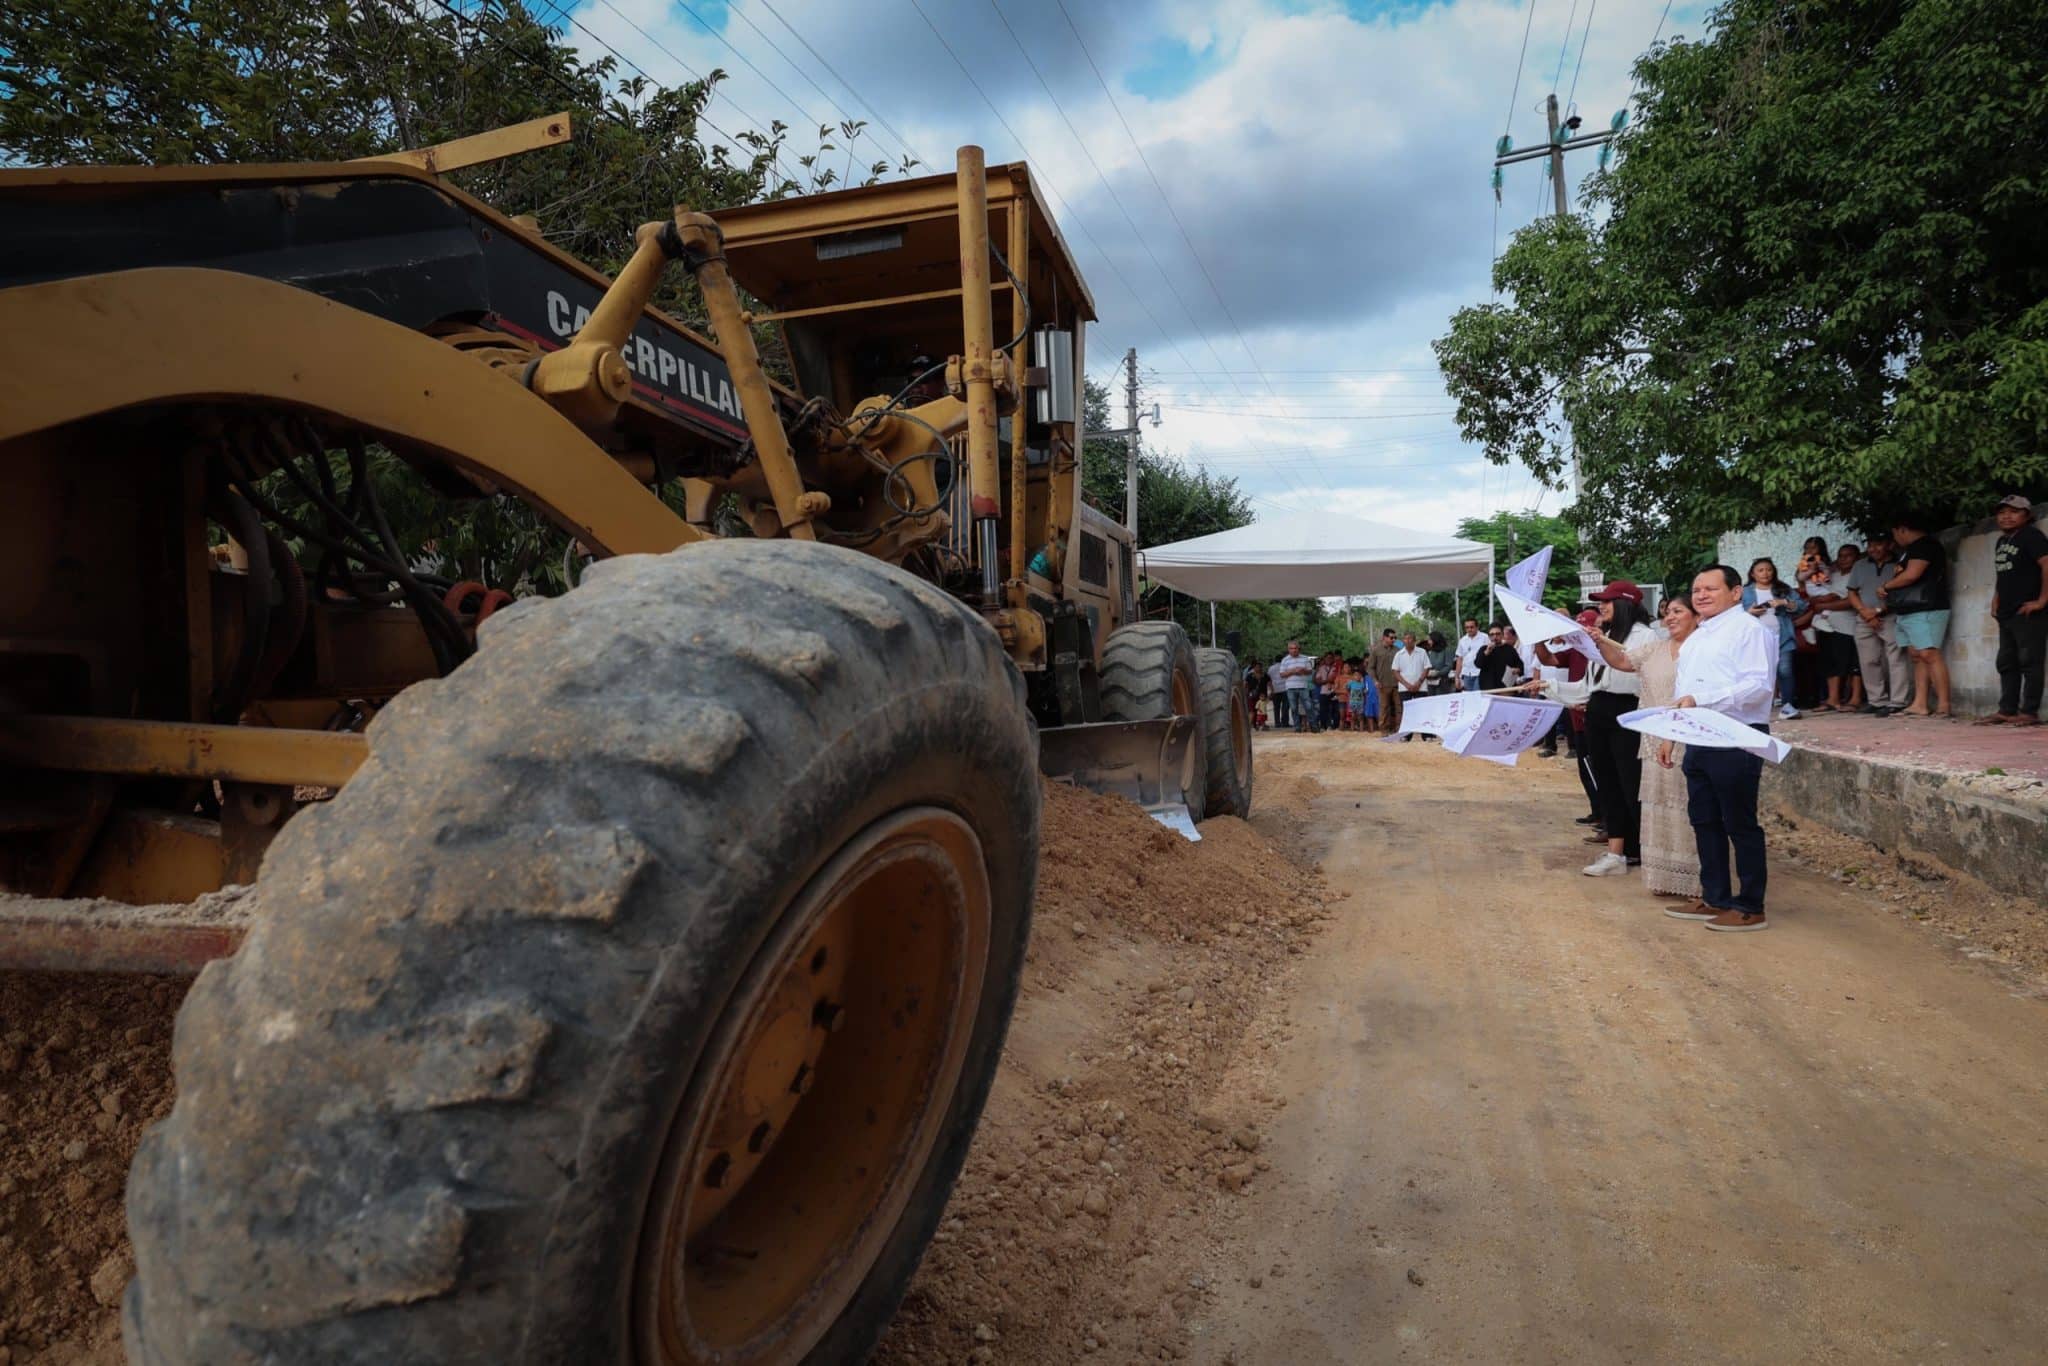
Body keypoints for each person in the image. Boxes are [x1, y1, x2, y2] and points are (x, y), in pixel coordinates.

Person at [1665, 565, 1778, 932]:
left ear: (1735, 592)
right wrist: (1671, 731)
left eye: (1710, 589)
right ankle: (1715, 897)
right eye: (1696, 589)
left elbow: (1758, 687)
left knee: (1739, 823)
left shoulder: (1750, 630)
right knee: (1704, 820)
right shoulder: (1698, 636)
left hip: (1735, 735)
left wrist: (1704, 699)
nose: (1701, 595)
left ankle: (1750, 905)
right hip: (1699, 736)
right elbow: (1682, 690)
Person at [1579, 596, 1705, 899]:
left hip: (1686, 735)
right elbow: (1622, 661)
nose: (1671, 617)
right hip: (1652, 737)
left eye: (1678, 611)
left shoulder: (1701, 650)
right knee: (1656, 802)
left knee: (1687, 806)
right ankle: (1664, 874)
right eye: (1668, 612)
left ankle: (1699, 878)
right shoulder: (1655, 647)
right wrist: (1601, 642)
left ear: (1696, 617)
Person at [1537, 580, 1653, 877]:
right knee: (1608, 783)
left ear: (1626, 604)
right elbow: (1588, 687)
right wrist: (1549, 685)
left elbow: (1635, 673)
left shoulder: (1645, 637)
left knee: (1632, 783)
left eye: (1608, 601)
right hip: (1599, 711)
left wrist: (1604, 643)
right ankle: (1617, 852)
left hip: (1628, 712)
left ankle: (1643, 849)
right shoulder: (1601, 639)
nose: (1601, 606)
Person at [1983, 494, 2048, 727]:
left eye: (2013, 511)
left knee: (2030, 661)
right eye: (2002, 512)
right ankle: (2007, 710)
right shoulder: (2002, 542)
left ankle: (2029, 712)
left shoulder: (2032, 536)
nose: (2006, 516)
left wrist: (2041, 600)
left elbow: (2046, 565)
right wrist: (1996, 599)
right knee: (2007, 661)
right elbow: (2004, 574)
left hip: (2028, 610)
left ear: (2027, 515)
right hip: (2007, 612)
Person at [1881, 515, 1952, 718]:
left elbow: (1912, 574)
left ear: (1902, 529)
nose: (1895, 539)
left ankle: (1944, 705)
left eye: (1895, 533)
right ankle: (1919, 704)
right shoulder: (1910, 550)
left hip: (1926, 607)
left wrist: (1886, 586)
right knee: (1916, 656)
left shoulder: (1925, 546)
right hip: (1910, 609)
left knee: (1929, 654)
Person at [1845, 531, 1910, 714]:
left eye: (1878, 544)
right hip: (1864, 618)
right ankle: (1877, 701)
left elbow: (1902, 592)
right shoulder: (1860, 565)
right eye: (1870, 544)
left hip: (1890, 617)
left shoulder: (1900, 564)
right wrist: (1865, 613)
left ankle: (1898, 702)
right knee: (1868, 661)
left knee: (1896, 658)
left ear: (1889, 544)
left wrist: (1878, 611)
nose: (1873, 549)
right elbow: (1852, 592)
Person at [1801, 543, 1865, 712]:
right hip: (1826, 626)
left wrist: (1822, 606)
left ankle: (1855, 699)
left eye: (1848, 555)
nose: (1843, 559)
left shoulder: (1857, 575)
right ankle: (1833, 699)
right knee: (1830, 662)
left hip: (1847, 625)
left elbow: (1851, 601)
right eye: (1840, 555)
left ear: (1857, 558)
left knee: (1851, 664)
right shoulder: (1833, 575)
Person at [1741, 558, 1805, 720]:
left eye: (1768, 569)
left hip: (1782, 636)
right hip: (1756, 639)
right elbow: (1733, 614)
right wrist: (1748, 613)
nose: (1765, 573)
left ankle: (1788, 706)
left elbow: (1801, 606)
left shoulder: (1783, 589)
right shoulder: (1745, 591)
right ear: (1753, 574)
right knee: (1759, 672)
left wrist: (1784, 602)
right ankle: (1760, 706)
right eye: (1760, 570)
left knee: (1785, 671)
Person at [1393, 632, 1430, 742]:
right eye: (1405, 639)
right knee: (1406, 711)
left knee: (1423, 710)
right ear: (1403, 641)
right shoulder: (1399, 654)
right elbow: (1395, 671)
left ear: (1414, 640)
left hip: (1421, 686)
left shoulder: (1422, 652)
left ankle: (1426, 735)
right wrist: (1407, 684)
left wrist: (1419, 682)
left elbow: (1427, 668)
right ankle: (1406, 735)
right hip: (1405, 688)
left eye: (1410, 638)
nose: (1408, 641)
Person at [1275, 641, 1315, 733]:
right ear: (1288, 650)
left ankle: (1313, 726)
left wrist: (1303, 670)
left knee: (1308, 707)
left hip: (1303, 686)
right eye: (1291, 648)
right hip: (1290, 687)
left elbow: (1310, 671)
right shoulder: (1285, 660)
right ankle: (1297, 727)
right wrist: (1293, 671)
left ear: (1299, 649)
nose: (1294, 650)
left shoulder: (1305, 658)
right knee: (1293, 708)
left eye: (1295, 648)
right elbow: (1282, 674)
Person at [1475, 624, 1518, 690]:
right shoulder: (1484, 649)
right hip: (1488, 688)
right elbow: (1478, 664)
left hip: (1506, 688)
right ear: (1489, 636)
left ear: (1502, 635)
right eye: (1492, 634)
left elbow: (1520, 665)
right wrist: (1487, 652)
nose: (1495, 637)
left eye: (1497, 634)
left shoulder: (1510, 649)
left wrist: (1517, 670)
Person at [1454, 617, 1486, 691]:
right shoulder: (1462, 640)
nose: (1469, 629)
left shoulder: (1485, 637)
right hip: (1467, 673)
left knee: (1477, 696)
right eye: (1467, 627)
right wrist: (1457, 677)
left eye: (1471, 627)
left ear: (1477, 627)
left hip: (1480, 673)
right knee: (1468, 697)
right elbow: (1459, 659)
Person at [1266, 656, 1290, 730]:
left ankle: (1277, 722)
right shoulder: (1285, 667)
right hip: (1285, 688)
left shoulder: (1271, 668)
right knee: (1285, 707)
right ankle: (1285, 722)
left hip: (1275, 689)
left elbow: (1268, 679)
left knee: (1276, 707)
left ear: (1275, 660)